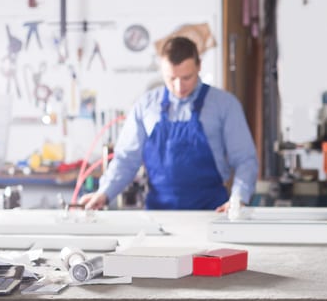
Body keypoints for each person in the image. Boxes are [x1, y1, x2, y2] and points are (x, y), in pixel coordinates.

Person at [81, 36, 258, 211]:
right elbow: (126, 159)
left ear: (199, 66)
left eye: (187, 77)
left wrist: (238, 199)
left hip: (212, 211)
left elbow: (245, 159)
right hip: (159, 215)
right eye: (171, 78)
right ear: (162, 70)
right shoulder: (145, 106)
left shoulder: (225, 105)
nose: (179, 86)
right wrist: (104, 193)